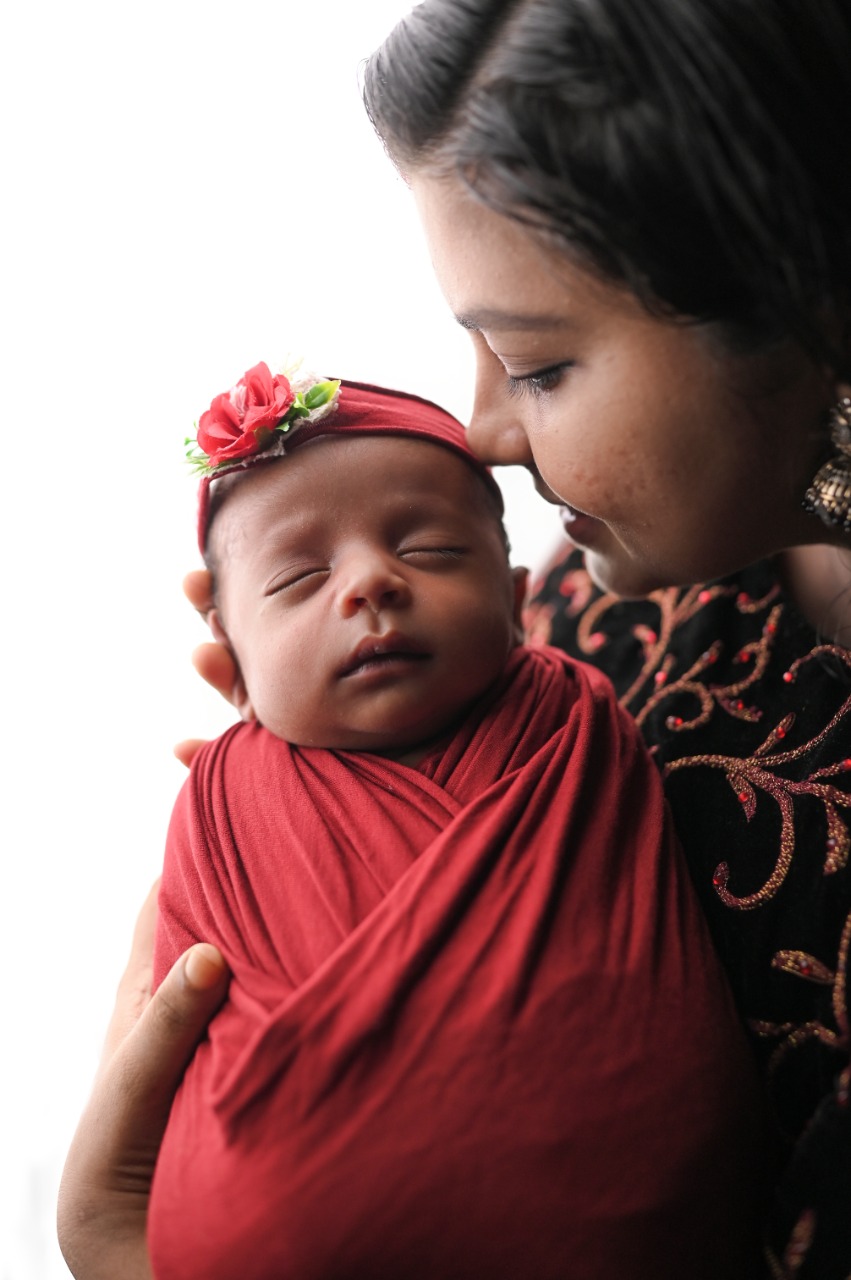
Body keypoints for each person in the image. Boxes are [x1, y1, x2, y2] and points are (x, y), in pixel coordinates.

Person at [58, 1, 851, 1276]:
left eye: (535, 365)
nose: (479, 430)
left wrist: (122, 1249)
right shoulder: (610, 596)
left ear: (810, 312)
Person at [147, 366, 765, 1278]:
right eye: (300, 576)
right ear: (228, 653)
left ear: (520, 604)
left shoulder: (567, 715)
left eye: (431, 549)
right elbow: (182, 1033)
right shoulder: (227, 797)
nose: (368, 582)